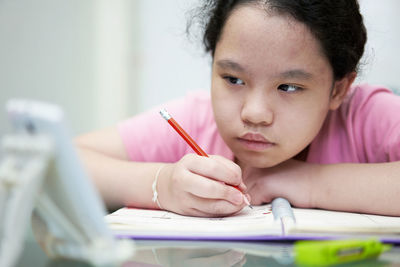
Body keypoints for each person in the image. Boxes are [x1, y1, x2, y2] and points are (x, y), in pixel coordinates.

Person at [76, 0, 400, 217]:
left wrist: (307, 182)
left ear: (338, 89)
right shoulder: (197, 119)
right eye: (233, 79)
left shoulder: (366, 116)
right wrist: (162, 184)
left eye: (288, 87)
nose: (254, 113)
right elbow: (68, 158)